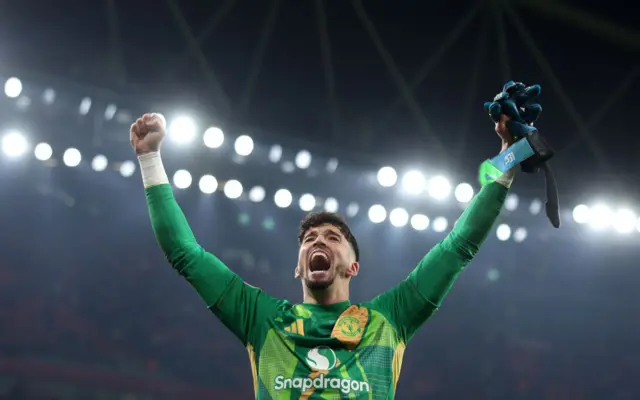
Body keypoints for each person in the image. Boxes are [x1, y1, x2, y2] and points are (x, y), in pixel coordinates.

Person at [130, 113, 515, 399]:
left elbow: (458, 246)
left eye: (333, 237)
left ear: (353, 266)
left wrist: (508, 159)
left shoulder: (389, 320)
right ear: (298, 268)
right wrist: (150, 158)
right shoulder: (261, 317)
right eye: (310, 238)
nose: (319, 242)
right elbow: (184, 253)